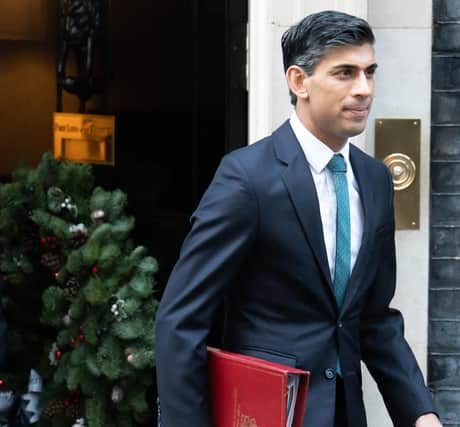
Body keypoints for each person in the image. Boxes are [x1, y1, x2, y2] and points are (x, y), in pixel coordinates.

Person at [155, 10, 442, 427]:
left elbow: (374, 317)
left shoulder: (376, 179)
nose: (363, 89)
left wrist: (420, 411)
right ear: (298, 81)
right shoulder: (246, 178)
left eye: (369, 72)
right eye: (344, 73)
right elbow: (181, 320)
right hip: (268, 412)